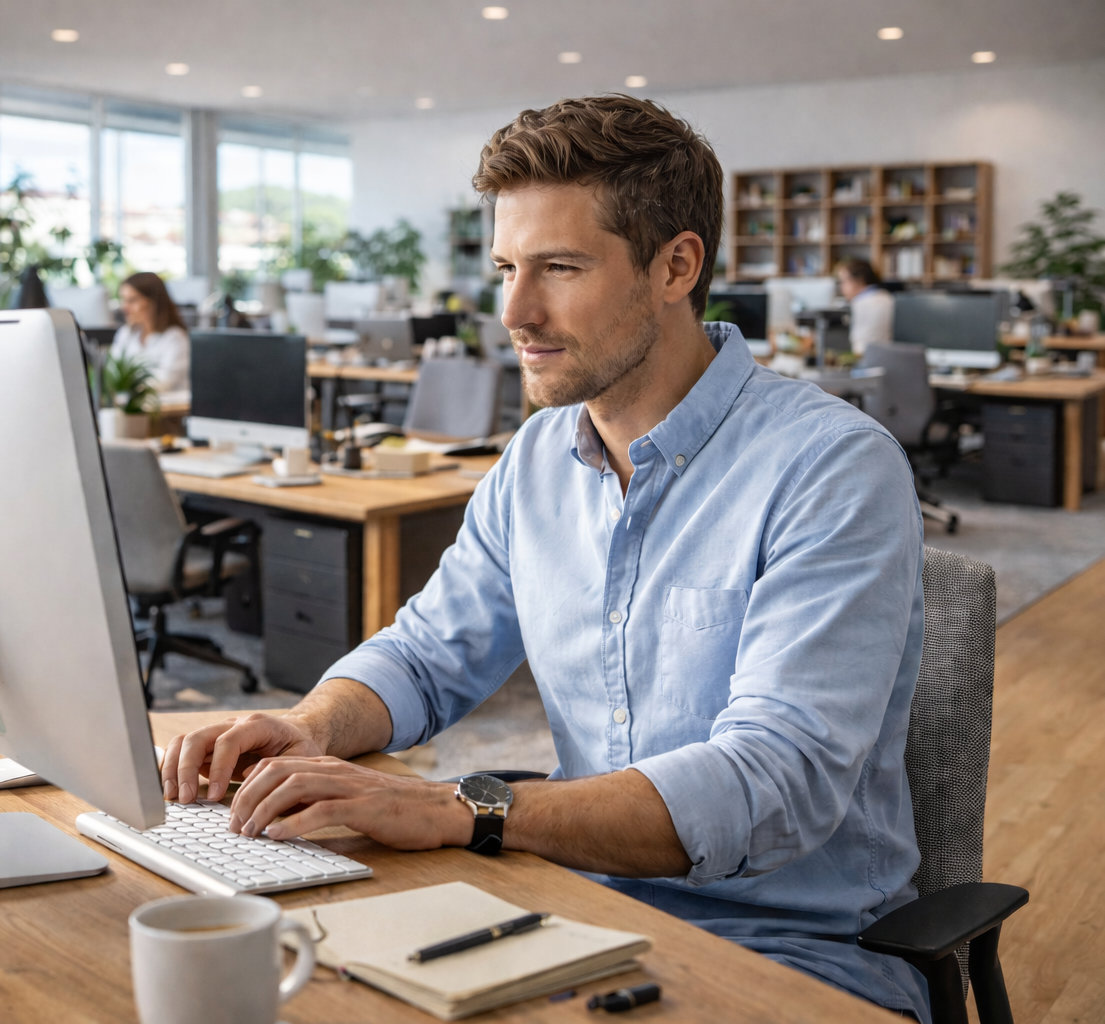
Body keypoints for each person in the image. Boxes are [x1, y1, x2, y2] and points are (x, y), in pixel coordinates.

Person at [162, 96, 929, 1022]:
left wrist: (469, 808)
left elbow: (777, 783)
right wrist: (315, 725)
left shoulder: (830, 467)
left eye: (560, 268)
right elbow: (427, 652)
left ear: (676, 265)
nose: (515, 312)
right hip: (574, 905)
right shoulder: (536, 457)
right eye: (506, 268)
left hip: (794, 950)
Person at [113, 272, 190, 397]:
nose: (124, 307)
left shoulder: (175, 338)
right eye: (123, 300)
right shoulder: (126, 334)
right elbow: (112, 374)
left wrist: (124, 384)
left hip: (168, 413)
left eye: (132, 300)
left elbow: (161, 384)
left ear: (153, 302)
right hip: (131, 409)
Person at [837, 259, 894, 354]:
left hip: (865, 357)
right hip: (886, 355)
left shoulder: (860, 304)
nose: (841, 287)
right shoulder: (887, 297)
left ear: (859, 280)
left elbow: (859, 347)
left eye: (843, 282)